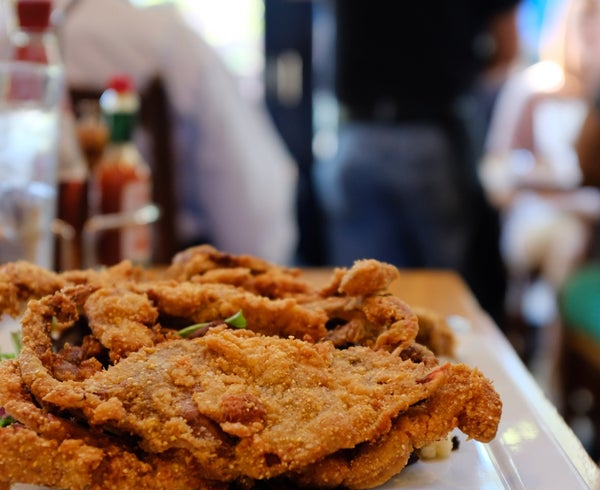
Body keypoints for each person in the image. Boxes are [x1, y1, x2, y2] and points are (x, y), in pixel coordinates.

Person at [312, 1, 521, 327]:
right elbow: (507, 48)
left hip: (356, 137)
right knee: (449, 306)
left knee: (358, 306)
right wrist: (457, 70)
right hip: (431, 135)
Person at [45, 0, 299, 265]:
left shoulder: (13, 39)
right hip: (161, 271)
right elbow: (251, 205)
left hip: (37, 266)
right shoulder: (167, 38)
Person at [480, 0, 600, 349]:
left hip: (588, 222)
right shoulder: (535, 88)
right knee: (568, 238)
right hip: (539, 217)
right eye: (588, 22)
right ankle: (547, 358)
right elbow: (497, 173)